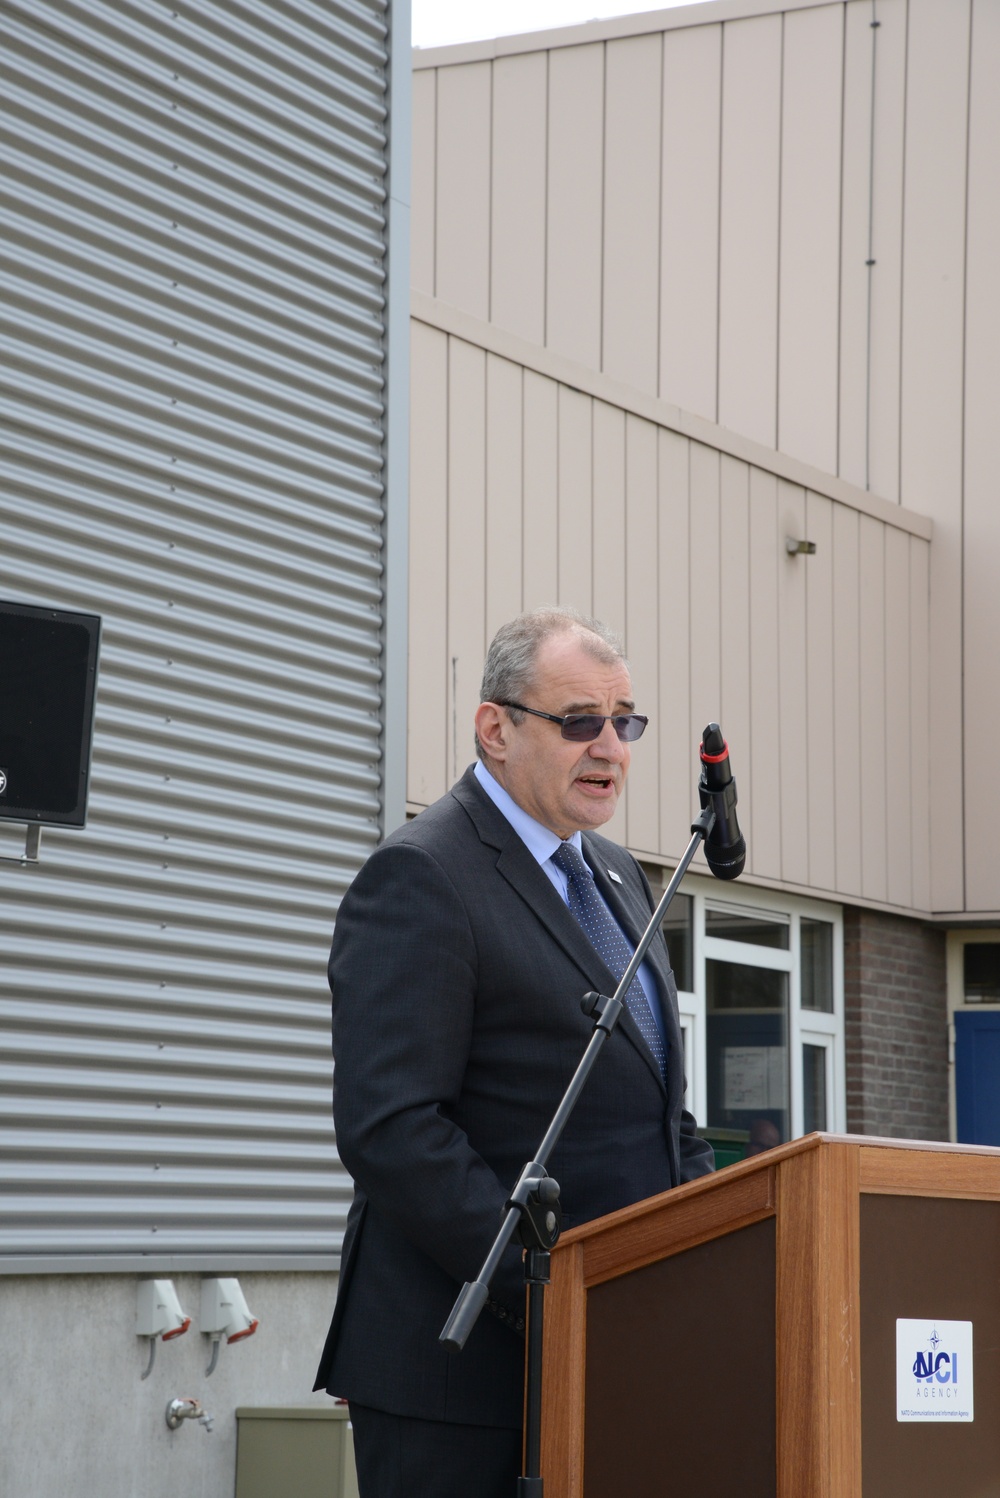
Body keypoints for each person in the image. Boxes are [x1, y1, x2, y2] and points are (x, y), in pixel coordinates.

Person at [314, 607, 714, 1497]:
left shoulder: (617, 873)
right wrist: (548, 1293)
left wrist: (700, 1264)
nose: (609, 746)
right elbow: (394, 1129)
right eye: (579, 722)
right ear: (495, 729)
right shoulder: (422, 875)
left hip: (615, 1349)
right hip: (462, 1375)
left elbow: (660, 1109)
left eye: (625, 721)